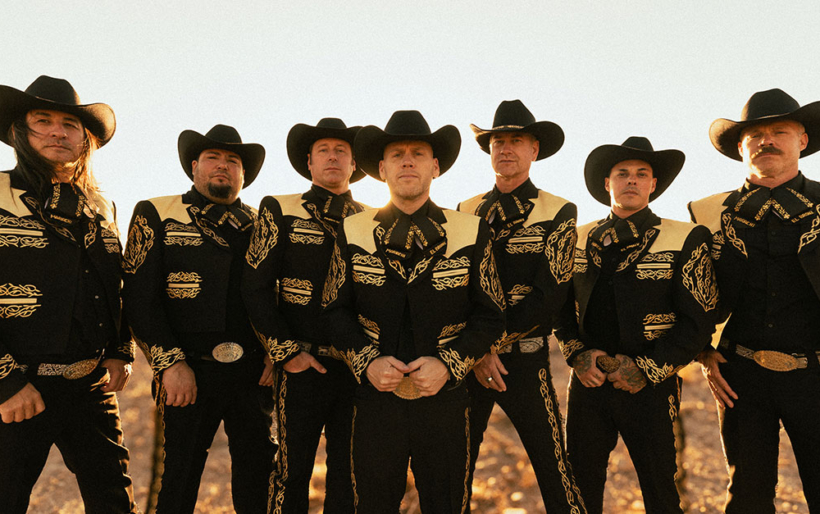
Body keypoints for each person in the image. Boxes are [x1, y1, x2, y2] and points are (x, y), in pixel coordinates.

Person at [322, 110, 506, 513]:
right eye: (397, 154)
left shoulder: (471, 230)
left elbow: (491, 315)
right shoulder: (352, 230)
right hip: (374, 400)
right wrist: (366, 362)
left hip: (446, 400)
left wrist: (450, 364)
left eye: (418, 153)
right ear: (381, 170)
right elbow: (334, 311)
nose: (408, 161)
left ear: (435, 167)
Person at [556, 136, 718, 513]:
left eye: (641, 174)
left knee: (660, 492)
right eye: (622, 173)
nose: (632, 180)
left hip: (651, 386)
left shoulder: (685, 237)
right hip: (588, 382)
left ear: (653, 185)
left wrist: (646, 369)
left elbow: (698, 322)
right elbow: (559, 310)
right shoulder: (576, 239)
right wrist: (577, 355)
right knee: (578, 490)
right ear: (607, 183)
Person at [0, 75, 138, 513]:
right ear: (19, 132)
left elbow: (113, 285)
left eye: (70, 125)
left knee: (115, 504)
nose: (58, 132)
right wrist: (6, 382)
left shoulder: (101, 206)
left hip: (90, 386)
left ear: (84, 140)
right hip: (17, 388)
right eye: (43, 121)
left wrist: (120, 349)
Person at [122, 124, 275, 513]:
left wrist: (276, 352)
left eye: (232, 160)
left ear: (243, 174)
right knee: (179, 479)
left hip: (253, 375)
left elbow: (277, 294)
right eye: (212, 157)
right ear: (194, 166)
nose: (222, 165)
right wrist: (169, 364)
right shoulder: (156, 213)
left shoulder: (263, 224)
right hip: (187, 372)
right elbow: (139, 298)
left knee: (259, 478)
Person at [689, 89, 820, 513]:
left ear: (802, 140)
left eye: (779, 131)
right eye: (755, 135)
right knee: (747, 496)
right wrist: (702, 351)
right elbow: (688, 290)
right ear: (741, 148)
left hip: (816, 374)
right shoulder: (707, 213)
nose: (767, 141)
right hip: (739, 375)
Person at [457, 99, 585, 513]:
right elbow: (455, 290)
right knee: (453, 473)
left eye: (516, 141)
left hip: (525, 363)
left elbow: (550, 296)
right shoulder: (463, 211)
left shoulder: (558, 211)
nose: (506, 148)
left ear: (534, 150)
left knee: (555, 470)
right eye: (498, 142)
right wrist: (475, 350)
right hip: (468, 364)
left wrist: (486, 343)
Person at [242, 118, 366, 513]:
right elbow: (255, 287)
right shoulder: (279, 209)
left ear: (354, 164)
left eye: (341, 151)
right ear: (309, 163)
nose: (333, 157)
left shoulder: (372, 219)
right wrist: (285, 353)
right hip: (301, 367)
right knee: (291, 472)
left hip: (356, 369)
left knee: (348, 475)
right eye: (323, 151)